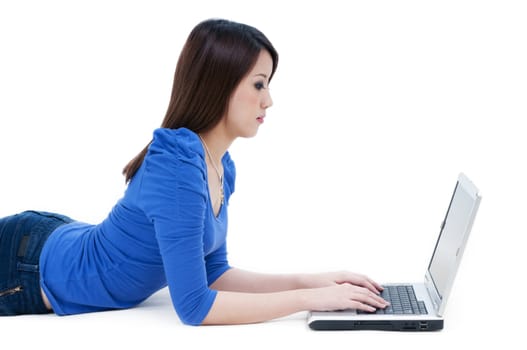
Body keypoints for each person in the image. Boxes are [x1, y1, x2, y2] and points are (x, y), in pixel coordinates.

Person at [0, 18, 389, 325]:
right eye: (258, 84)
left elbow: (214, 273)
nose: (268, 100)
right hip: (25, 268)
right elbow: (194, 306)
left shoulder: (219, 165)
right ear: (219, 85)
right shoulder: (177, 166)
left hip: (52, 238)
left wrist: (314, 281)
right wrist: (310, 301)